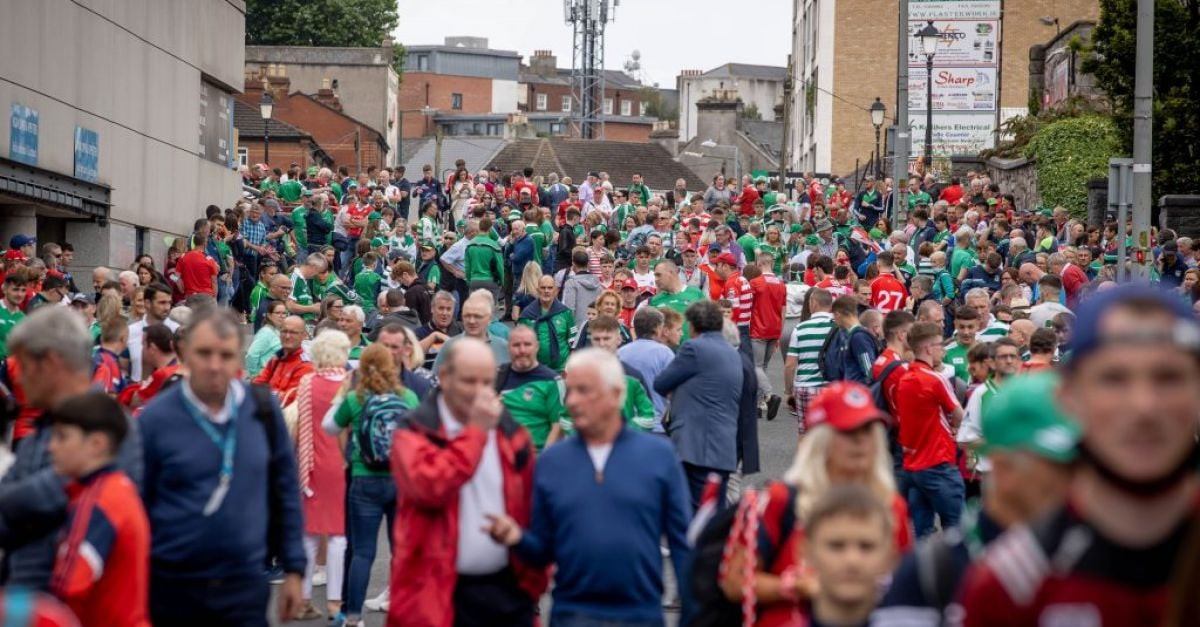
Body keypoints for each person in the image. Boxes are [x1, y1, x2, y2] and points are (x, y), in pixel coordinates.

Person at [959, 284, 1200, 626]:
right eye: (1114, 379)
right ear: (1071, 398)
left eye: (1169, 377)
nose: (1144, 406)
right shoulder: (1010, 585)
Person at [485, 348, 693, 626]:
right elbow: (542, 549)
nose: (571, 401)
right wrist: (515, 538)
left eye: (584, 391)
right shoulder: (551, 463)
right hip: (572, 614)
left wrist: (692, 614)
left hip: (640, 614)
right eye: (569, 391)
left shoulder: (658, 457)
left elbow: (682, 544)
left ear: (617, 395)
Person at [138, 307, 305, 624]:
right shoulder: (156, 419)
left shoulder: (262, 409)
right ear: (184, 352)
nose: (215, 366)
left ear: (238, 359)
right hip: (172, 587)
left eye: (226, 355)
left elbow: (285, 491)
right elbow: (137, 503)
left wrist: (294, 568)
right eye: (204, 353)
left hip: (243, 585)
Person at [877, 371, 1078, 623]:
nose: (1077, 480)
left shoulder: (1089, 558)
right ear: (1004, 468)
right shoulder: (930, 570)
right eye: (1060, 468)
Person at [719, 383, 913, 626]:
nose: (861, 442)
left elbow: (905, 585)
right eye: (848, 432)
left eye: (868, 431)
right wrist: (798, 587)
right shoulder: (781, 500)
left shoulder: (891, 505)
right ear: (820, 441)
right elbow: (734, 582)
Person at [389, 338, 545, 626]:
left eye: (487, 382)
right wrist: (474, 432)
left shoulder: (511, 434)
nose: (480, 392)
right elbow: (429, 488)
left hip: (507, 591)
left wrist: (532, 580)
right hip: (438, 593)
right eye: (469, 381)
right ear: (445, 378)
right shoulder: (415, 429)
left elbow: (532, 508)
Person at [0, 307, 143, 588]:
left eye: (24, 366)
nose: (18, 378)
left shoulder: (113, 428)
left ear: (51, 363)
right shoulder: (40, 430)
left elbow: (53, 496)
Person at [323, 343, 420, 625]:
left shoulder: (356, 398)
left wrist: (344, 392)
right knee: (400, 549)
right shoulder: (409, 397)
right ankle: (403, 608)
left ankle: (353, 616)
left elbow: (329, 427)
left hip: (363, 478)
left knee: (363, 552)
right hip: (399, 480)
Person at [44, 391, 149, 625]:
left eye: (62, 437)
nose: (51, 447)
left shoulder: (96, 503)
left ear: (96, 444)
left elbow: (66, 593)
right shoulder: (119, 489)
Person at [654, 299, 743, 510]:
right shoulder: (732, 352)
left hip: (696, 446)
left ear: (693, 325)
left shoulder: (694, 348)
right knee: (713, 516)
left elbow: (661, 382)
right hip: (723, 446)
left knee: (693, 515)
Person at [292, 330, 351, 620]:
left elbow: (298, 425)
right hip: (341, 464)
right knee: (339, 535)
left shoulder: (306, 383)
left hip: (311, 463)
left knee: (310, 534)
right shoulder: (349, 385)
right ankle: (335, 602)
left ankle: (303, 599)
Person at [895, 322, 965, 538]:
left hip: (913, 466)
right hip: (939, 461)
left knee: (921, 532)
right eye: (940, 346)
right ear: (928, 348)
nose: (943, 351)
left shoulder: (903, 379)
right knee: (957, 528)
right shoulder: (935, 379)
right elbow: (959, 414)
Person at [497, 324, 567, 451]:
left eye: (527, 344)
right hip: (502, 458)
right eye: (516, 345)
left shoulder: (552, 381)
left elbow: (558, 427)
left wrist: (544, 461)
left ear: (537, 347)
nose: (522, 350)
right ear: (508, 348)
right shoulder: (497, 378)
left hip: (536, 456)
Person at [783, 288, 835, 433]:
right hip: (830, 387)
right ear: (830, 305)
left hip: (805, 386)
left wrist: (788, 391)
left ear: (813, 303)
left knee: (805, 433)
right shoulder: (837, 327)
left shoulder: (800, 329)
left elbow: (790, 365)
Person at [616, 307, 676, 430]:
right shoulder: (665, 353)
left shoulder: (621, 352)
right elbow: (674, 392)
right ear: (657, 328)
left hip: (628, 426)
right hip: (656, 426)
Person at [748, 254, 787, 420]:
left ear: (758, 264)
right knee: (762, 367)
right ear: (772, 264)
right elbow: (783, 310)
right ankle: (757, 404)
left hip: (758, 328)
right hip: (775, 328)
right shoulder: (781, 284)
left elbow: (749, 306)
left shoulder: (755, 283)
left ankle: (770, 395)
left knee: (756, 366)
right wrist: (780, 331)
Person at [434, 292, 510, 370]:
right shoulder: (449, 347)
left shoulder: (503, 347)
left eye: (477, 316)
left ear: (489, 319)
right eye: (467, 316)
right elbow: (436, 380)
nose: (471, 321)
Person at [118, 323, 181, 412]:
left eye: (143, 344)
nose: (142, 349)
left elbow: (134, 401)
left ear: (152, 348)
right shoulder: (182, 366)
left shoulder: (162, 374)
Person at [252, 315, 312, 406]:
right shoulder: (276, 359)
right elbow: (256, 385)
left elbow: (288, 400)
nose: (287, 336)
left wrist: (266, 393)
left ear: (303, 336)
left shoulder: (306, 365)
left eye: (293, 332)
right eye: (284, 331)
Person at [518, 275, 575, 371]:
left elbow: (574, 342)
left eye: (550, 288)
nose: (546, 291)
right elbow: (519, 344)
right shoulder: (526, 316)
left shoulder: (565, 313)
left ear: (556, 291)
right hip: (535, 371)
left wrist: (570, 366)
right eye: (543, 288)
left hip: (561, 369)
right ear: (537, 290)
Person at [127, 283, 181, 382]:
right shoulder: (130, 332)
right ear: (147, 303)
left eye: (169, 303)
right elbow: (123, 368)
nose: (167, 307)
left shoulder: (177, 331)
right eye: (162, 303)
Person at [823, 295, 878, 385]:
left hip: (859, 394)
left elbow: (869, 371)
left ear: (837, 314)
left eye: (834, 317)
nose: (835, 321)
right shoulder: (850, 335)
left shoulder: (859, 337)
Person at [649, 259, 705, 344]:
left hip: (693, 351)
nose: (656, 279)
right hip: (666, 353)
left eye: (658, 275)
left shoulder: (696, 294)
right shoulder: (654, 300)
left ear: (670, 273)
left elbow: (708, 322)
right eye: (655, 276)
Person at [714, 252, 754, 361]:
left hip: (737, 329)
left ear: (725, 266)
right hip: (744, 327)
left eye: (717, 265)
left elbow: (733, 311)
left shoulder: (731, 283)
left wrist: (727, 329)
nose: (715, 269)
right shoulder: (741, 279)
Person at [245, 299, 285, 378]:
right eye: (278, 313)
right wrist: (254, 375)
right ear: (269, 315)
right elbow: (251, 355)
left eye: (284, 313)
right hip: (264, 379)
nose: (282, 316)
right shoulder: (266, 332)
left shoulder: (278, 331)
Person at [174, 232, 219, 297]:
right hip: (206, 296)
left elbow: (175, 276)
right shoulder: (209, 260)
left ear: (194, 242)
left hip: (189, 296)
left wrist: (181, 289)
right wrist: (214, 297)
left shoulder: (183, 257)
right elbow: (214, 281)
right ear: (205, 243)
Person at [0, 272, 28, 358]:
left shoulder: (24, 319)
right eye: (15, 289)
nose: (20, 294)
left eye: (23, 290)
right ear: (5, 290)